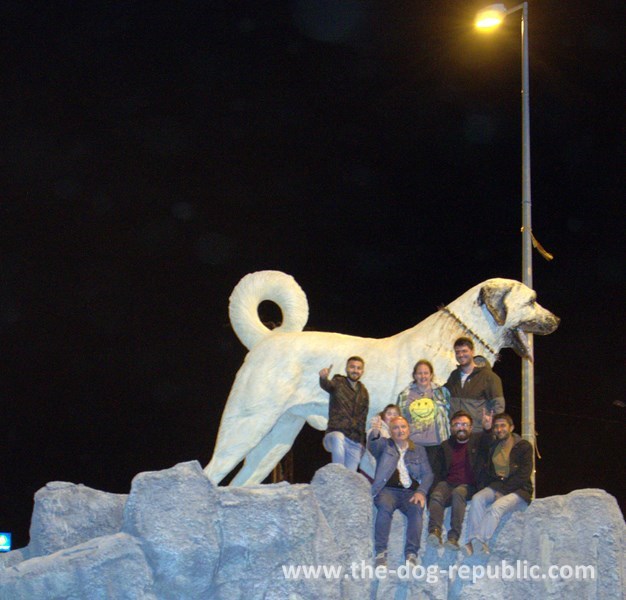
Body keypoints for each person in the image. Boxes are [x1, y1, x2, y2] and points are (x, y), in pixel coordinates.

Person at [463, 413, 533, 556]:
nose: (499, 429)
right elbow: (484, 445)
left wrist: (505, 491)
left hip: (519, 489)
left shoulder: (523, 446)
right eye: (496, 426)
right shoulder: (494, 446)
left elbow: (524, 474)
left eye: (503, 426)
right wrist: (487, 428)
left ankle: (480, 539)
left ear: (511, 427)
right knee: (477, 499)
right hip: (497, 485)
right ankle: (471, 540)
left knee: (496, 507)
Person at [368, 416, 434, 567]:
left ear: (408, 430)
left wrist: (421, 491)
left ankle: (411, 554)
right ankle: (381, 553)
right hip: (388, 490)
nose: (400, 430)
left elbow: (428, 474)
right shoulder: (385, 445)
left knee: (417, 509)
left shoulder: (419, 450)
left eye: (403, 427)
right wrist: (376, 430)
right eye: (396, 428)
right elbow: (373, 446)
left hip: (410, 492)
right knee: (384, 508)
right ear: (390, 432)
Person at [427, 410, 492, 550]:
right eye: (457, 424)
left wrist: (487, 429)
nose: (461, 427)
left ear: (471, 427)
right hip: (449, 483)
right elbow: (437, 472)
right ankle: (434, 531)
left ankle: (453, 537)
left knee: (459, 493)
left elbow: (490, 442)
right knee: (437, 494)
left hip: (469, 485)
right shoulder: (445, 446)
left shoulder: (478, 441)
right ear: (451, 428)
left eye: (464, 424)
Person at [397, 359, 450, 468]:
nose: (423, 376)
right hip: (413, 445)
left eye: (426, 373)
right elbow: (399, 420)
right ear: (414, 375)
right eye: (419, 373)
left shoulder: (442, 392)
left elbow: (450, 415)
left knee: (435, 480)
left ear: (431, 375)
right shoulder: (404, 395)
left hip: (437, 445)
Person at [319, 356, 369, 471]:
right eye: (352, 367)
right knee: (338, 437)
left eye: (358, 368)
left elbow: (363, 418)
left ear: (362, 371)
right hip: (335, 434)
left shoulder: (364, 392)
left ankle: (342, 481)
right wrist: (323, 378)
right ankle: (338, 472)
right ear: (346, 368)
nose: (355, 370)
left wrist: (362, 444)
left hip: (354, 440)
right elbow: (327, 385)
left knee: (350, 478)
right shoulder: (338, 382)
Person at [445, 338, 505, 432]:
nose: (461, 355)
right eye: (457, 352)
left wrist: (490, 425)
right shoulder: (454, 376)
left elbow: (499, 407)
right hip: (457, 432)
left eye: (464, 351)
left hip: (478, 433)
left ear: (472, 351)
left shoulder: (489, 377)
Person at [361, 404, 401, 476]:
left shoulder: (397, 435)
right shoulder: (377, 431)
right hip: (370, 473)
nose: (392, 417)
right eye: (389, 414)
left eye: (395, 415)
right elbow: (373, 456)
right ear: (383, 416)